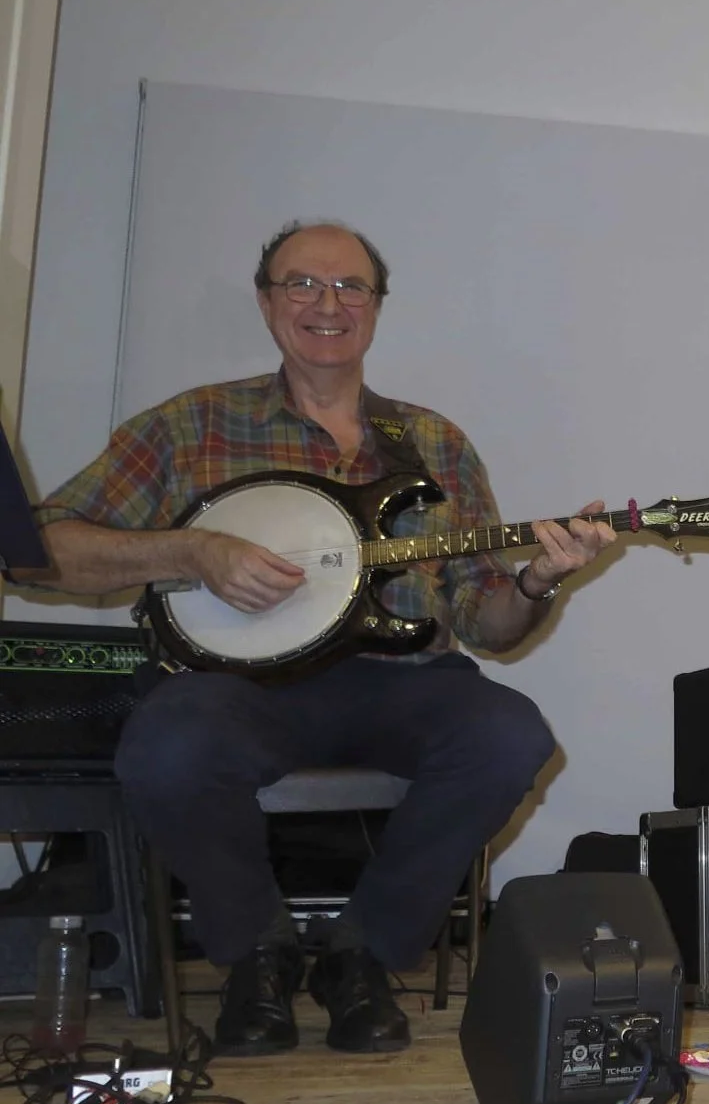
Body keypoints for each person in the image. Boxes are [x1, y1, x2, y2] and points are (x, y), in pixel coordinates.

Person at [25, 221, 616, 1055]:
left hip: (401, 681)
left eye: (350, 289)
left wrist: (537, 580)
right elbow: (38, 551)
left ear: (376, 309)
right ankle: (253, 954)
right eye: (302, 284)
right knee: (169, 743)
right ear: (267, 301)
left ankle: (362, 954)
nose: (327, 304)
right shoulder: (191, 425)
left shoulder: (434, 443)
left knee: (507, 735)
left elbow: (491, 623)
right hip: (237, 688)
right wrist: (188, 550)